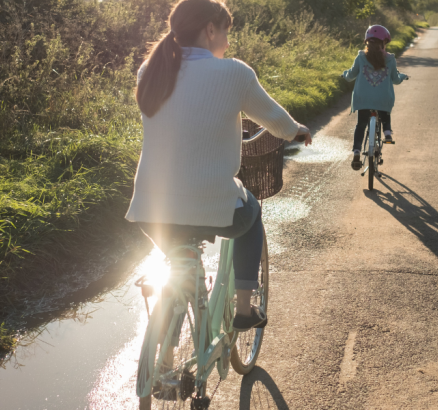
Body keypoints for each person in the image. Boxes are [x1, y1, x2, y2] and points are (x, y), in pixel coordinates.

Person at [125, 0, 312, 331]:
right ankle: (243, 309)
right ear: (209, 29)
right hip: (213, 205)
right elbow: (278, 123)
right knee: (252, 213)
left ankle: (165, 356)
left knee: (180, 266)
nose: (227, 41)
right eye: (225, 31)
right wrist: (297, 130)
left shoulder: (149, 72)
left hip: (149, 209)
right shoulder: (234, 73)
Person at [342, 25, 408, 171]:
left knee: (361, 125)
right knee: (383, 108)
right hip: (383, 99)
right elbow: (396, 79)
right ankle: (387, 132)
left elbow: (350, 76)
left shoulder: (360, 57)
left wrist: (344, 74)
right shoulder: (390, 59)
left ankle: (357, 152)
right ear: (384, 43)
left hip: (363, 99)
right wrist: (403, 76)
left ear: (367, 42)